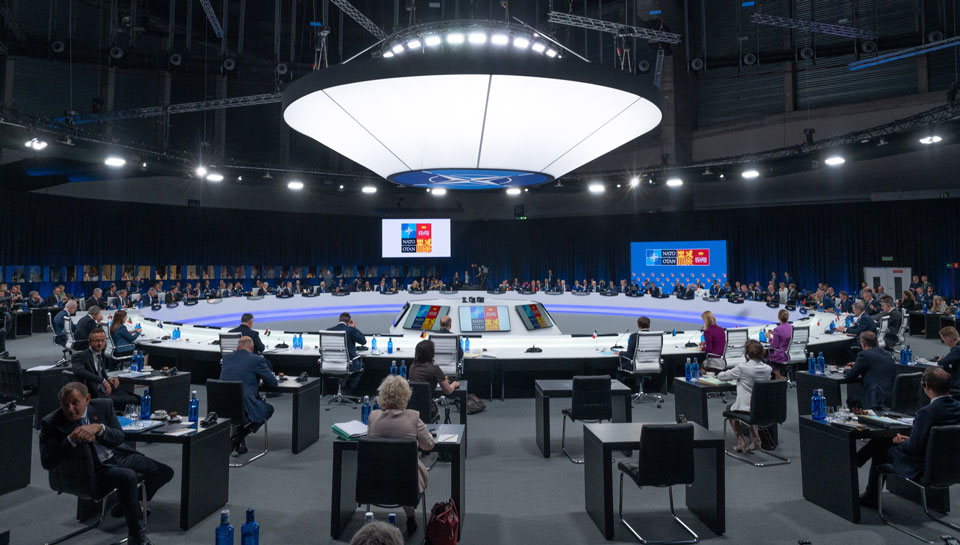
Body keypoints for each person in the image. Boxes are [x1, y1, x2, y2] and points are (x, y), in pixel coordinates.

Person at [40, 382, 173, 545]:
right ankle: (136, 534)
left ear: (87, 399)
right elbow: (47, 461)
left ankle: (127, 503)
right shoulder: (51, 423)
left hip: (117, 456)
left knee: (164, 472)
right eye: (65, 405)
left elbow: (119, 436)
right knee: (128, 477)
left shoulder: (103, 406)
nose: (70, 409)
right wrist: (70, 440)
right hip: (92, 470)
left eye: (75, 403)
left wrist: (100, 429)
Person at [856, 367, 960, 508]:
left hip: (923, 466)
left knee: (881, 447)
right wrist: (909, 440)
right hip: (951, 464)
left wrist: (901, 441)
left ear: (926, 385)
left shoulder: (927, 413)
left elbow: (913, 449)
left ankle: (869, 493)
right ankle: (857, 461)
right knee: (881, 442)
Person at [367, 375, 435, 536]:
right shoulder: (413, 417)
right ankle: (410, 516)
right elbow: (428, 445)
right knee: (405, 471)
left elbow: (370, 441)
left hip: (376, 479)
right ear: (405, 396)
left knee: (394, 468)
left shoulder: (373, 416)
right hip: (407, 481)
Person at [219, 336, 278, 455]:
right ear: (251, 348)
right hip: (244, 407)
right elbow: (273, 383)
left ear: (237, 347)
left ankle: (240, 442)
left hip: (222, 406)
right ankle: (238, 436)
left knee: (239, 409)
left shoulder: (226, 358)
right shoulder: (256, 359)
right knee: (268, 409)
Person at [718, 340, 772, 452]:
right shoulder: (768, 369)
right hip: (764, 408)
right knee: (750, 410)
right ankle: (755, 437)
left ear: (747, 354)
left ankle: (741, 441)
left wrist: (718, 373)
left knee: (731, 409)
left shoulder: (742, 368)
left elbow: (723, 376)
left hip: (746, 408)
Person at [71, 328, 140, 410]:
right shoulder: (80, 356)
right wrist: (102, 380)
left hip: (106, 391)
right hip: (95, 394)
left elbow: (101, 372)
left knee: (138, 398)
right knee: (133, 400)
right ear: (89, 342)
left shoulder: (100, 354)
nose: (99, 343)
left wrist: (109, 378)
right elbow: (78, 371)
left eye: (102, 340)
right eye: (96, 341)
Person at [407, 340, 462, 422]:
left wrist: (441, 379)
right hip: (428, 410)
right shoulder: (435, 369)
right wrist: (454, 384)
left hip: (411, 410)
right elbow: (448, 390)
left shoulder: (412, 367)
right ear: (431, 353)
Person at [843, 331, 896, 409]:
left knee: (851, 399)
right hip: (890, 397)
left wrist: (846, 369)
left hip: (874, 398)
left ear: (863, 344)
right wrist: (858, 364)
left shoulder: (864, 355)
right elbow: (876, 363)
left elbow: (851, 375)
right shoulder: (887, 354)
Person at [766, 310, 792, 378]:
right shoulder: (791, 327)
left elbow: (774, 345)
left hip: (781, 355)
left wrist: (769, 337)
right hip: (790, 355)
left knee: (766, 358)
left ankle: (780, 376)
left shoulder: (777, 329)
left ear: (778, 318)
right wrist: (774, 334)